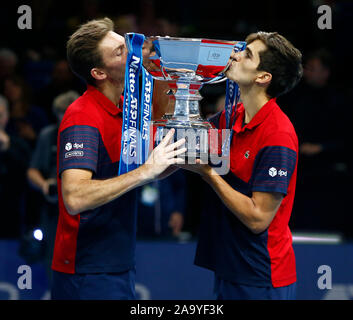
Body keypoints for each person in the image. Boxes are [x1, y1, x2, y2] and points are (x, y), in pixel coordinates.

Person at [50, 17, 186, 300]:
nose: (133, 52)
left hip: (117, 263)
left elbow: (141, 171)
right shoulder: (82, 117)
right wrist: (146, 171)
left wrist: (181, 158)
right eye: (120, 52)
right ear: (99, 72)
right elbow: (75, 198)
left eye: (125, 45)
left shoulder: (126, 108)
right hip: (86, 271)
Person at [180, 31, 303, 300]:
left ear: (263, 77)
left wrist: (209, 174)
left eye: (247, 54)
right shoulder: (232, 116)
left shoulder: (278, 134)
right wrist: (178, 84)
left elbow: (258, 219)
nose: (234, 55)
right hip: (230, 268)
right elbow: (185, 137)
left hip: (261, 277)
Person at [27, 90, 80, 284]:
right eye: (60, 114)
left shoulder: (90, 132)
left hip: (85, 207)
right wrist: (44, 184)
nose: (64, 119)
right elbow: (32, 170)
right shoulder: (48, 135)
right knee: (53, 257)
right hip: (54, 209)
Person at [0, 94, 31, 238]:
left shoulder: (19, 144)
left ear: (6, 116)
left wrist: (7, 149)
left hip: (11, 218)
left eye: (0, 115)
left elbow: (27, 174)